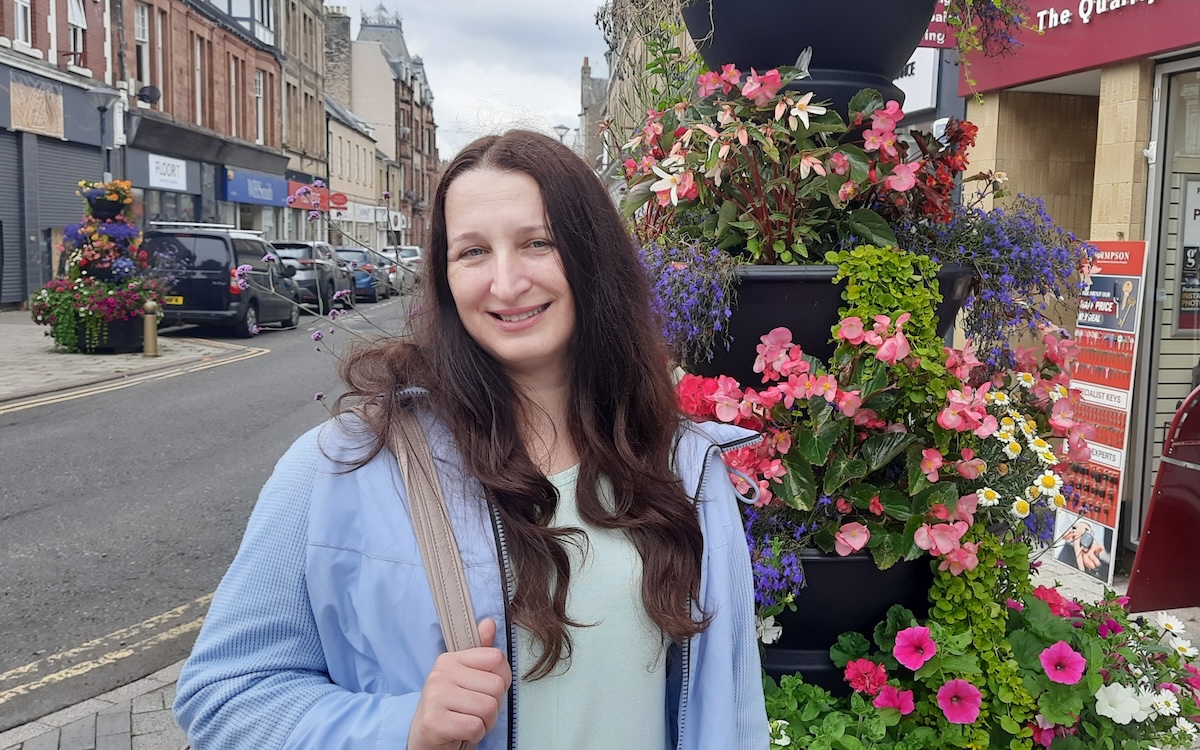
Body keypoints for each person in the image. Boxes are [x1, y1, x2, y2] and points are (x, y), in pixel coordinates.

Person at [172, 129, 769, 749]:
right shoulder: (341, 467)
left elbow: (732, 706)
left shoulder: (683, 464)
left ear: (595, 257)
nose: (507, 284)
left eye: (539, 243)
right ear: (445, 276)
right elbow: (225, 695)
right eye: (473, 252)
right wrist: (400, 727)